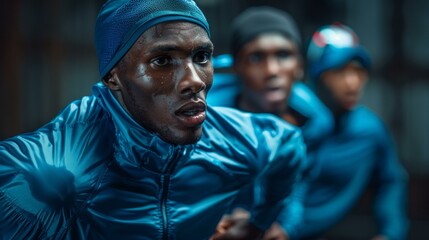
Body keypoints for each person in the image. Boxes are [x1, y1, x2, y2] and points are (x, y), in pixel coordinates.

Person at [0, 1, 307, 239]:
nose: (195, 81)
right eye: (162, 61)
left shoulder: (234, 138)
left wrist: (257, 224)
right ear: (113, 77)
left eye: (201, 57)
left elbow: (287, 146)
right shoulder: (55, 171)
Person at [207, 6, 333, 240]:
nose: (272, 70)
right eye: (256, 57)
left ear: (299, 67)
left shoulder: (314, 122)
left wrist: (285, 228)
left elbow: (298, 185)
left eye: (284, 55)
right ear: (238, 67)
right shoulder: (205, 116)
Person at [288, 23, 408, 240]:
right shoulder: (287, 119)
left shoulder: (369, 130)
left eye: (358, 70)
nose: (353, 83)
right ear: (318, 77)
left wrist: (390, 232)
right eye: (339, 71)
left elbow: (391, 180)